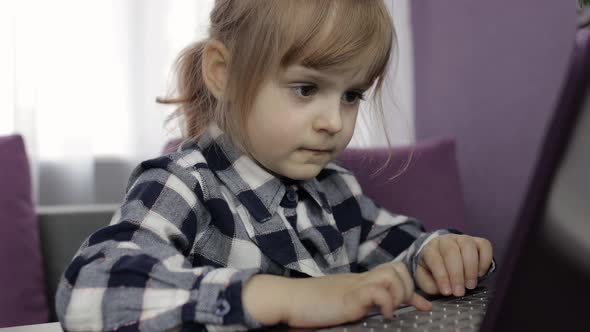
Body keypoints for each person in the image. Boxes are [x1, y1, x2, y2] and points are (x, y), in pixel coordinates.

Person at [55, 1, 495, 331]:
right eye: (305, 89)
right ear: (222, 73)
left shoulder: (336, 191)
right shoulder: (185, 182)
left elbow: (401, 250)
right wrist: (285, 297)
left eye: (351, 95)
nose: (333, 122)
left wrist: (437, 256)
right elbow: (89, 292)